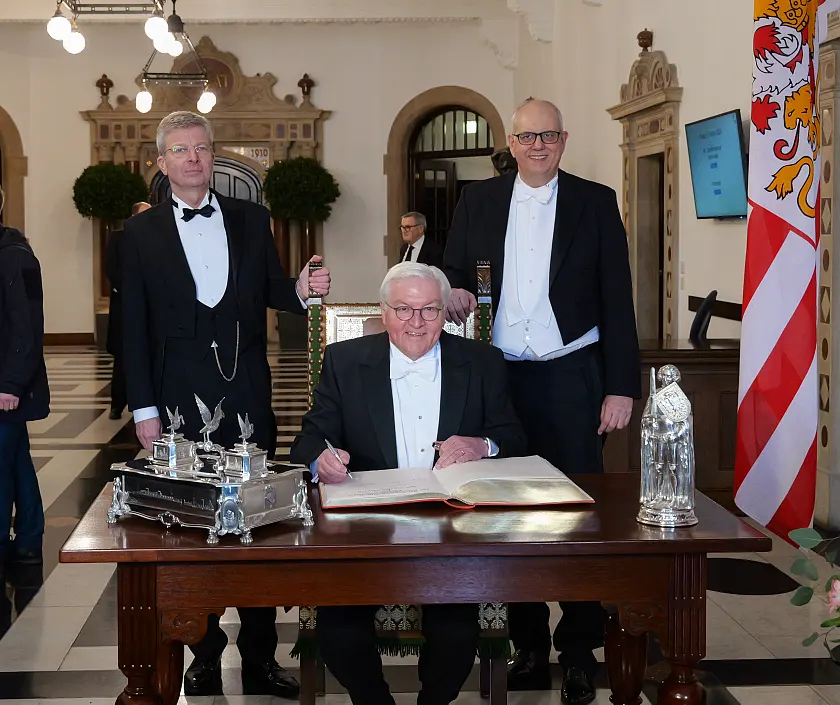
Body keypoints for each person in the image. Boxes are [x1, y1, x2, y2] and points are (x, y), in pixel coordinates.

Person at [122, 110, 331, 698]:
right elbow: (132, 328)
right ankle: (205, 652)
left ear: (212, 157)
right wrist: (142, 407)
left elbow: (272, 289)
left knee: (257, 519)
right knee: (193, 525)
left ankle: (261, 656)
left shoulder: (250, 217)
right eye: (181, 150)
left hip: (244, 387)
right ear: (161, 162)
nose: (193, 158)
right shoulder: (139, 234)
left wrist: (302, 291)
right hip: (177, 392)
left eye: (202, 148)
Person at [442, 98, 641, 705]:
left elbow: (618, 300)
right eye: (527, 136)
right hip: (500, 379)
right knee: (510, 514)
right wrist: (453, 293)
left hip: (571, 375)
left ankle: (578, 650)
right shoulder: (477, 201)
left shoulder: (596, 201)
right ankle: (528, 645)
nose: (537, 145)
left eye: (548, 135)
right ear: (511, 140)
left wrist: (621, 385)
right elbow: (453, 274)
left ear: (563, 139)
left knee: (577, 514)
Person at [290, 262, 526, 705]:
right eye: (403, 310)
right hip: (365, 527)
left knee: (456, 631)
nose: (415, 323)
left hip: (452, 528)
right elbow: (308, 439)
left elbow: (514, 436)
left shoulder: (482, 362)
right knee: (338, 627)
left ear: (444, 312)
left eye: (429, 311)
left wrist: (483, 445)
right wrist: (322, 459)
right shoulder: (344, 361)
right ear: (383, 311)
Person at [0, 184, 48, 567]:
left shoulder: (16, 257)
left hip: (7, 384)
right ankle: (30, 537)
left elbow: (27, 325)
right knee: (15, 458)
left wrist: (11, 383)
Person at [106, 201, 150, 420]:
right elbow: (112, 270)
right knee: (124, 360)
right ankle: (117, 404)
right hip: (125, 309)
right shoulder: (118, 239)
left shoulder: (158, 239)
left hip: (152, 311)